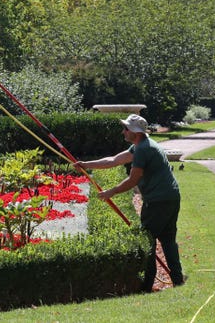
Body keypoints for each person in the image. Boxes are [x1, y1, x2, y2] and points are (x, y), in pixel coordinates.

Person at [74, 114, 185, 292]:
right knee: (168, 240)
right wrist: (85, 164)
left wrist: (111, 192)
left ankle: (147, 286)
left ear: (135, 131)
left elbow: (132, 180)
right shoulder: (141, 145)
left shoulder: (143, 150)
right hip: (171, 197)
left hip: (157, 202)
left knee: (146, 241)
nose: (123, 131)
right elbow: (114, 160)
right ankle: (178, 281)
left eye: (126, 128)